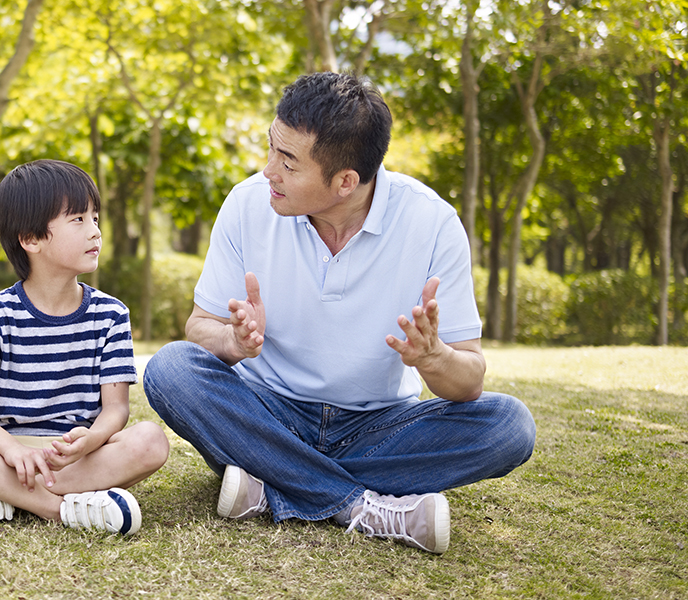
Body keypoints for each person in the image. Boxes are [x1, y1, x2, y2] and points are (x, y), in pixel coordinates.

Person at [142, 72, 536, 554]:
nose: (269, 171)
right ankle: (361, 507)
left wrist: (434, 357)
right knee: (170, 369)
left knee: (509, 426)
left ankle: (274, 487)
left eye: (287, 162)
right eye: (271, 149)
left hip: (378, 426)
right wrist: (232, 343)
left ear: (345, 182)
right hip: (268, 412)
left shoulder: (432, 223)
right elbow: (198, 328)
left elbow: (469, 381)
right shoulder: (248, 205)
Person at [0, 159, 169, 535]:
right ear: (31, 239)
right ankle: (61, 509)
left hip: (76, 456)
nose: (95, 231)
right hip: (6, 450)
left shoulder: (111, 314)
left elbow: (116, 409)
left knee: (151, 441)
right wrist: (10, 450)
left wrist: (91, 439)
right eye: (78, 220)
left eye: (95, 218)